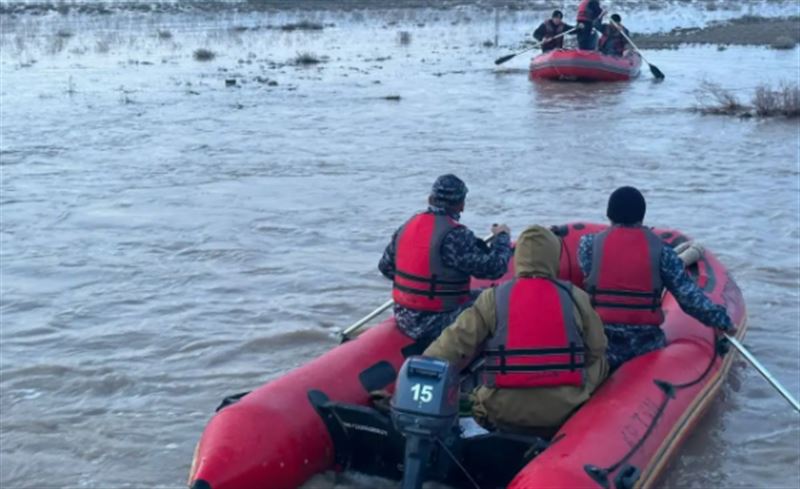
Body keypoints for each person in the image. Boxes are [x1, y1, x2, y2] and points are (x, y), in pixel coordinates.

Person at [423, 226, 608, 435]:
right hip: (564, 408)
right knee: (602, 361)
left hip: (501, 410)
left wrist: (421, 369)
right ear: (553, 257)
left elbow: (452, 344)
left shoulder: (492, 298)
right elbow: (596, 348)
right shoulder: (576, 296)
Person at [579, 186, 735, 371]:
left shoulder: (588, 245)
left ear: (609, 215)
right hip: (644, 346)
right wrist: (722, 321)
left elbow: (591, 276)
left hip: (603, 345)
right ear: (642, 217)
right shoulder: (661, 251)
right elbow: (689, 298)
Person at [378, 174, 512, 343]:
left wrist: (417, 288)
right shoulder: (456, 235)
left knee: (479, 295)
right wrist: (502, 237)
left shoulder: (407, 226)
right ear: (460, 205)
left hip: (403, 315)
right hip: (437, 321)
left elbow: (385, 267)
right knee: (501, 301)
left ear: (430, 199)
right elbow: (496, 268)